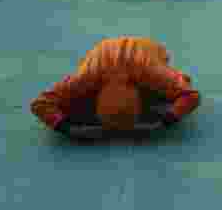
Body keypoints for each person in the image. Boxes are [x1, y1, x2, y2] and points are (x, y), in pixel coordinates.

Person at [30, 36, 201, 140]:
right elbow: (40, 104)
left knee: (179, 86)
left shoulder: (149, 73)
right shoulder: (87, 78)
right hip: (105, 55)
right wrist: (66, 128)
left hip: (147, 52)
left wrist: (165, 122)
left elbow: (191, 95)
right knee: (178, 88)